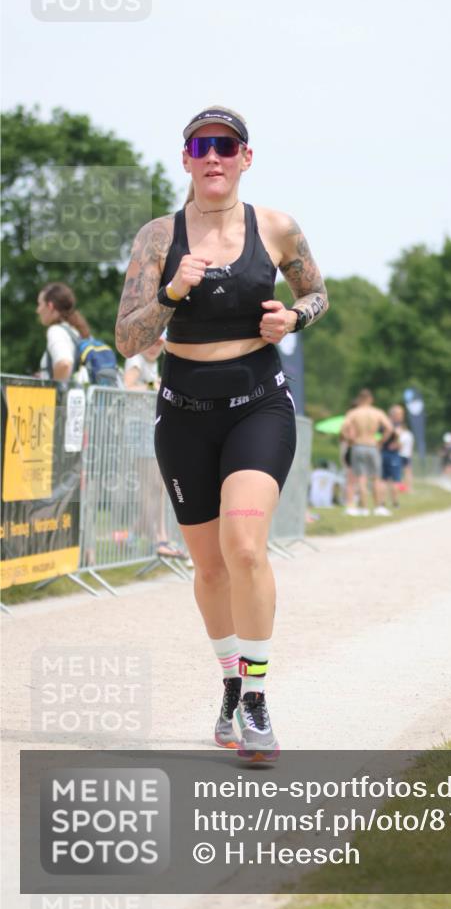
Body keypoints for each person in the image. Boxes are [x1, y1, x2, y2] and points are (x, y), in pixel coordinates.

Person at [115, 105, 328, 761]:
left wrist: (293, 319)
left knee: (244, 546)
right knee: (208, 567)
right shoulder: (159, 238)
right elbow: (128, 337)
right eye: (202, 146)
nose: (214, 156)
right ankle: (231, 685)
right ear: (185, 159)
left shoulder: (278, 228)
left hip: (259, 405)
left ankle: (258, 702)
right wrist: (172, 294)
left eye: (227, 146)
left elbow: (317, 294)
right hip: (182, 411)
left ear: (245, 158)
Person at [124, 335, 188, 560]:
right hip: (139, 429)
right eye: (150, 342)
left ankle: (136, 535)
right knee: (151, 487)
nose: (153, 348)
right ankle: (158, 539)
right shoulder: (136, 362)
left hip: (151, 428)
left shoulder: (152, 364)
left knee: (158, 487)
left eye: (159, 344)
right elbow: (128, 386)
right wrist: (155, 385)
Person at [341, 389, 394, 516]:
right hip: (372, 445)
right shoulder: (377, 412)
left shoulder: (354, 412)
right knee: (376, 478)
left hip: (358, 445)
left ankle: (363, 508)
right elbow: (389, 428)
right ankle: (378, 507)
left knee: (361, 478)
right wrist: (381, 441)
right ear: (371, 399)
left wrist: (349, 439)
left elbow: (343, 428)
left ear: (359, 399)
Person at [36, 282, 90, 384]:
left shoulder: (56, 331)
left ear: (50, 306)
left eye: (40, 304)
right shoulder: (76, 331)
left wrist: (56, 390)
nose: (38, 310)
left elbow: (64, 364)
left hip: (64, 399)